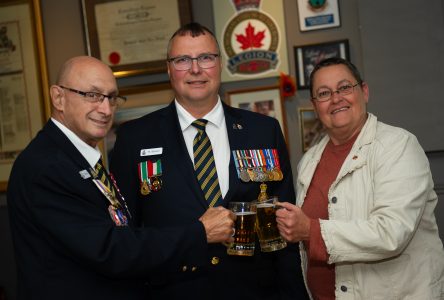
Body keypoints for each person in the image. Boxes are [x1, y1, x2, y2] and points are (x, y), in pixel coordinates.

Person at [7, 56, 235, 300]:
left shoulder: (79, 158)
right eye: (92, 95)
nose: (105, 110)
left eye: (111, 98)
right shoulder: (47, 166)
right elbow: (111, 250)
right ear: (58, 97)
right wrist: (199, 232)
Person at [110, 23, 308, 299]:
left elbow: (285, 233)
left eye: (205, 58)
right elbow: (125, 239)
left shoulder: (263, 131)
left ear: (219, 64)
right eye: (182, 60)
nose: (195, 69)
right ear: (169, 69)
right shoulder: (135, 138)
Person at [276, 57, 444, 299]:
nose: (336, 99)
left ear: (364, 92)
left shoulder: (398, 146)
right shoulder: (308, 161)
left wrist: (310, 231)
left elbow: (391, 233)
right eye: (324, 93)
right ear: (315, 106)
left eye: (344, 88)